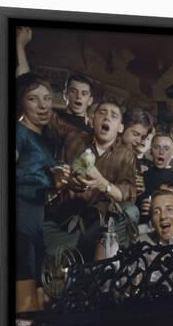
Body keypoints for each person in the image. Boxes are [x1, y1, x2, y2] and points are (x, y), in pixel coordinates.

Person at [45, 101, 138, 262]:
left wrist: (103, 184)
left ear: (120, 128)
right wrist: (67, 179)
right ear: (92, 119)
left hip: (98, 227)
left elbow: (127, 192)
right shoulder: (74, 137)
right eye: (102, 113)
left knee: (130, 210)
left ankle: (102, 265)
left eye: (113, 115)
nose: (107, 117)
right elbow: (48, 117)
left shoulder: (126, 154)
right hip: (64, 219)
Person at [15, 73, 70, 312]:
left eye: (47, 98)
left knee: (40, 304)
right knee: (26, 305)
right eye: (33, 99)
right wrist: (49, 178)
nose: (43, 105)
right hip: (19, 219)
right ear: (20, 102)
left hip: (37, 221)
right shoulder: (18, 133)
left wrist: (58, 182)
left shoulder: (44, 138)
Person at [137, 133, 173, 224]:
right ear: (150, 151)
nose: (161, 152)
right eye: (157, 147)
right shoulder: (141, 178)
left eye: (166, 148)